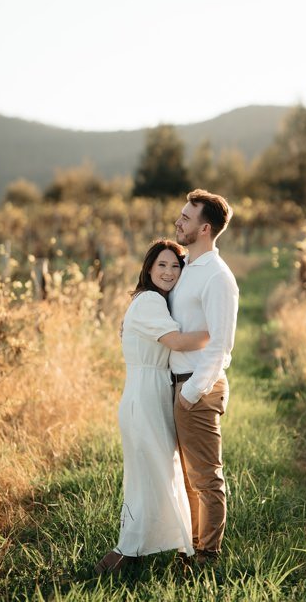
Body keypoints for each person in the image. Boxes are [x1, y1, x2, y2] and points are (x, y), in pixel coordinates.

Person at [93, 240, 212, 575]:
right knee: (157, 476)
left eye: (175, 266)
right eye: (162, 265)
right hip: (144, 396)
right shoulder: (147, 301)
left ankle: (160, 551)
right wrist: (218, 331)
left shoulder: (154, 302)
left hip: (151, 392)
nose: (169, 272)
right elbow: (175, 341)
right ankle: (134, 554)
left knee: (159, 475)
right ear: (148, 268)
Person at [168, 188, 240, 564]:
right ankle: (190, 546)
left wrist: (191, 392)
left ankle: (207, 556)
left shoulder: (218, 277)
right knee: (187, 478)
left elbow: (220, 346)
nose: (178, 222)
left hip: (197, 387)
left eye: (185, 218)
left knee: (206, 478)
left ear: (205, 228)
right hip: (177, 384)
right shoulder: (186, 268)